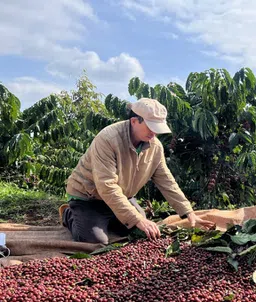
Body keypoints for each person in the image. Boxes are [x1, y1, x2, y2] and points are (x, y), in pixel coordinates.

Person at [60, 98, 215, 244]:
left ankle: (111, 218)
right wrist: (137, 219)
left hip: (122, 196)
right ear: (134, 121)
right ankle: (70, 214)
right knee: (96, 240)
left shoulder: (155, 147)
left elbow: (166, 181)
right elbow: (106, 186)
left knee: (139, 233)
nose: (154, 133)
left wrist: (188, 212)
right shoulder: (108, 139)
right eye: (150, 127)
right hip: (89, 198)